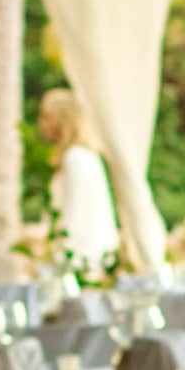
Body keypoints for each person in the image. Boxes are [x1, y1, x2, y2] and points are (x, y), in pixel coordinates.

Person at [36, 86, 117, 278]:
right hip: (87, 260)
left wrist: (58, 258)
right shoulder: (83, 156)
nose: (41, 123)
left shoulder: (76, 159)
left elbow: (75, 217)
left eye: (46, 117)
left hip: (82, 264)